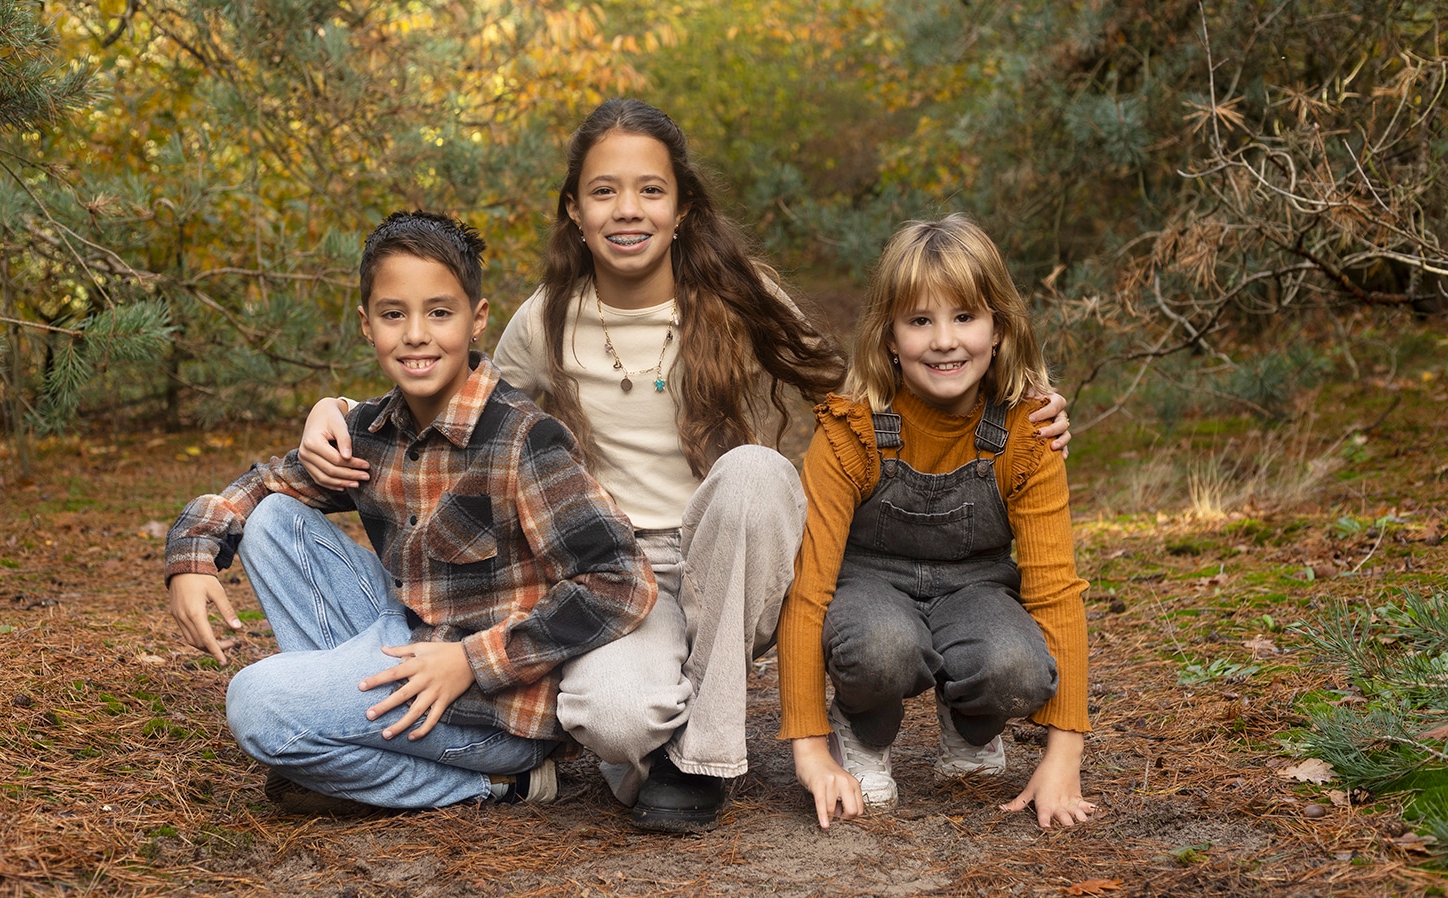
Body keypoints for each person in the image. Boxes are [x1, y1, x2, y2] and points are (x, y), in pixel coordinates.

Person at [295, 99, 1073, 832]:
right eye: (604, 191)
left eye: (649, 190)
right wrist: (342, 413)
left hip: (729, 551)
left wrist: (1013, 400)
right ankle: (649, 736)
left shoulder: (734, 297)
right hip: (611, 569)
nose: (626, 209)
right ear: (574, 209)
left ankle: (704, 760)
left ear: (683, 208)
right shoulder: (546, 318)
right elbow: (463, 406)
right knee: (611, 718)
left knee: (756, 472)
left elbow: (860, 382)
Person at [166, 211, 655, 813]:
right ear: (367, 325)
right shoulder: (371, 432)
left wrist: (474, 661)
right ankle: (337, 736)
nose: (416, 334)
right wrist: (193, 557)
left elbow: (621, 583)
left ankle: (501, 785)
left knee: (256, 703)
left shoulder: (524, 441)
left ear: (476, 321)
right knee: (276, 520)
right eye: (394, 314)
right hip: (407, 639)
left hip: (493, 711)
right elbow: (265, 485)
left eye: (440, 312)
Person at [776, 214, 1095, 831]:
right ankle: (863, 731)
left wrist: (1064, 759)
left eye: (965, 317)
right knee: (882, 646)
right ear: (890, 338)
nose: (944, 340)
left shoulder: (1027, 436)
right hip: (869, 589)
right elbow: (809, 588)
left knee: (1019, 667)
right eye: (920, 321)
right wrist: (809, 746)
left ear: (998, 329)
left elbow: (1057, 592)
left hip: (976, 588)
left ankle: (972, 723)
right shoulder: (853, 431)